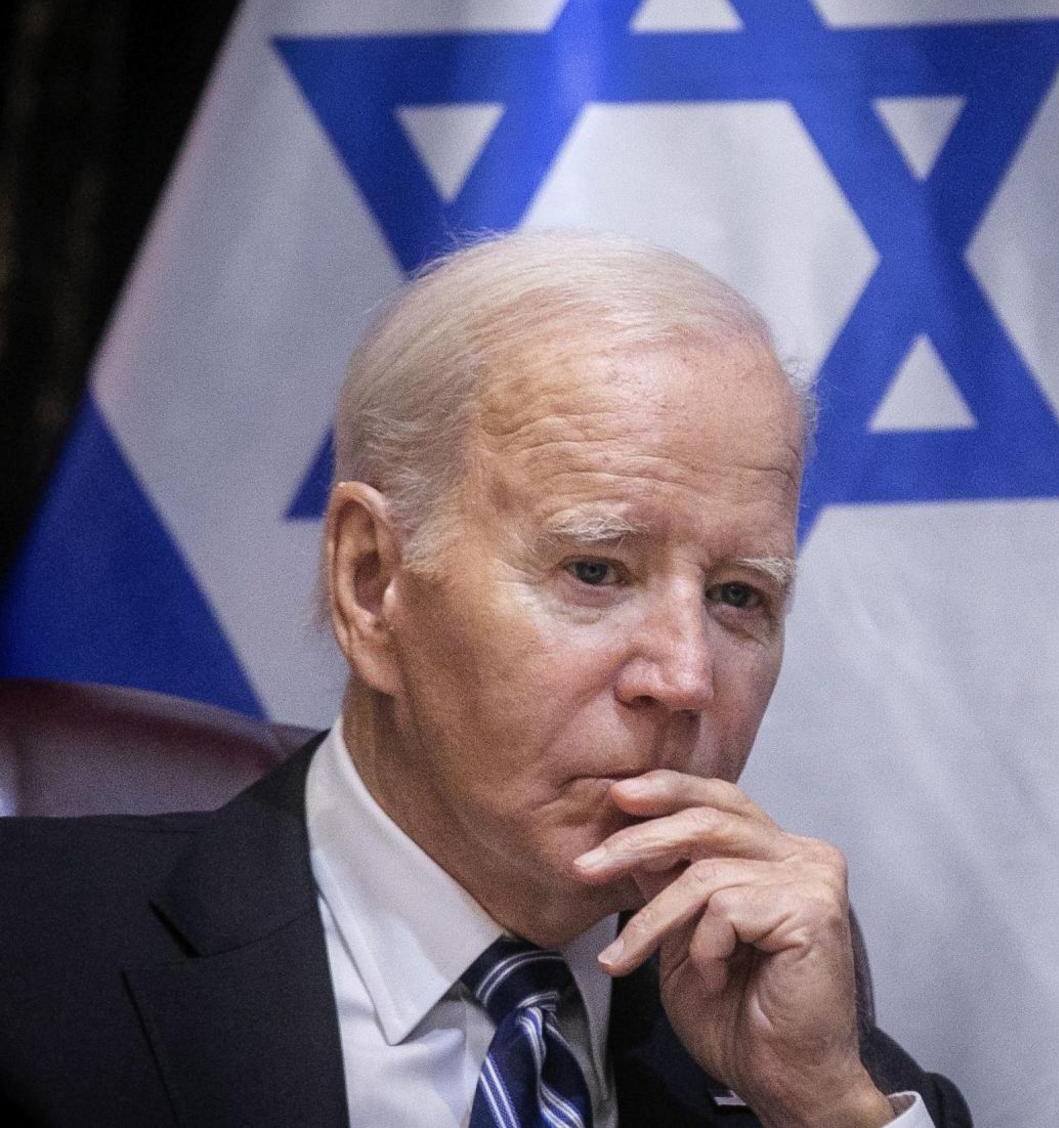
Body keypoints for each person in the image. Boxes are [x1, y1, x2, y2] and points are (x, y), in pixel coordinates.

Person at [0, 230, 970, 1128]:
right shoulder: (30, 958)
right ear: (371, 581)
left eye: (737, 597)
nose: (683, 677)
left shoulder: (791, 1030)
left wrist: (828, 1105)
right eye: (595, 570)